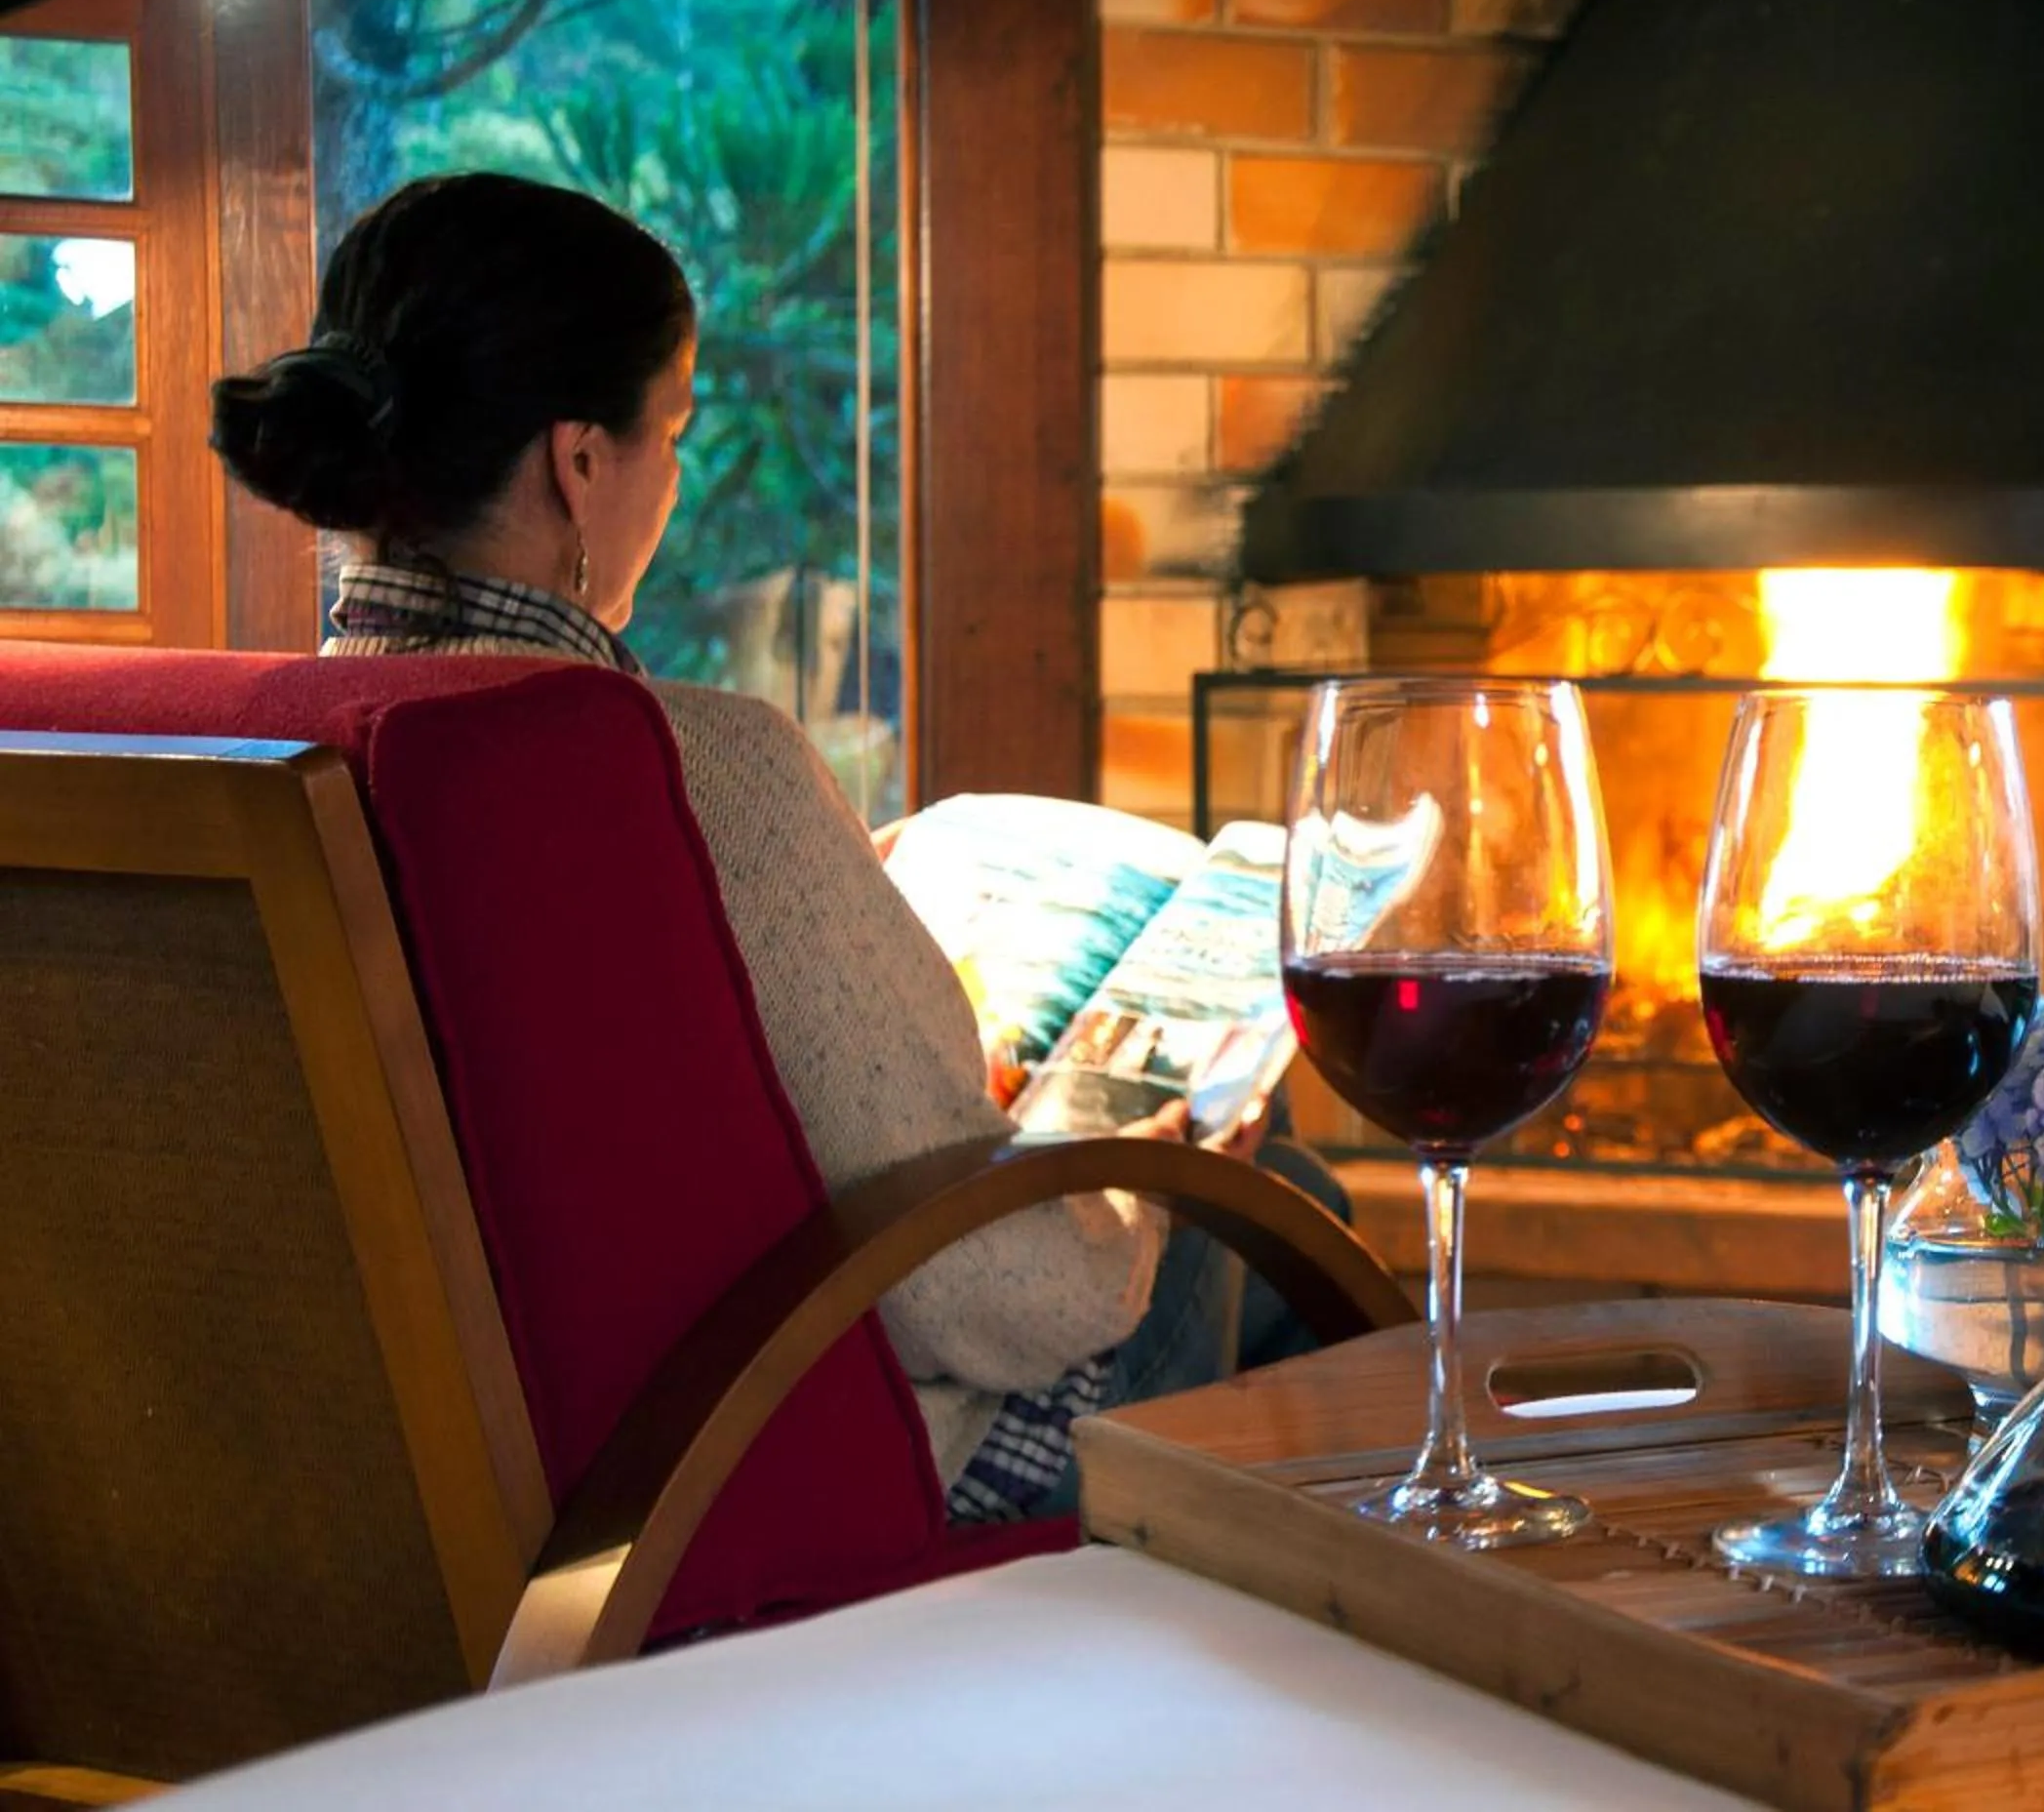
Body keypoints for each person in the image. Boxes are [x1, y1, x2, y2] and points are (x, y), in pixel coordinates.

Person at [209, 172, 1328, 1524]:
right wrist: (1147, 1165)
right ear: (577, 460)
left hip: (433, 1498)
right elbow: (1008, 1296)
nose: (672, 483)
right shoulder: (688, 770)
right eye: (671, 435)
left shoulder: (262, 754)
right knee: (1263, 1196)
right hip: (726, 1501)